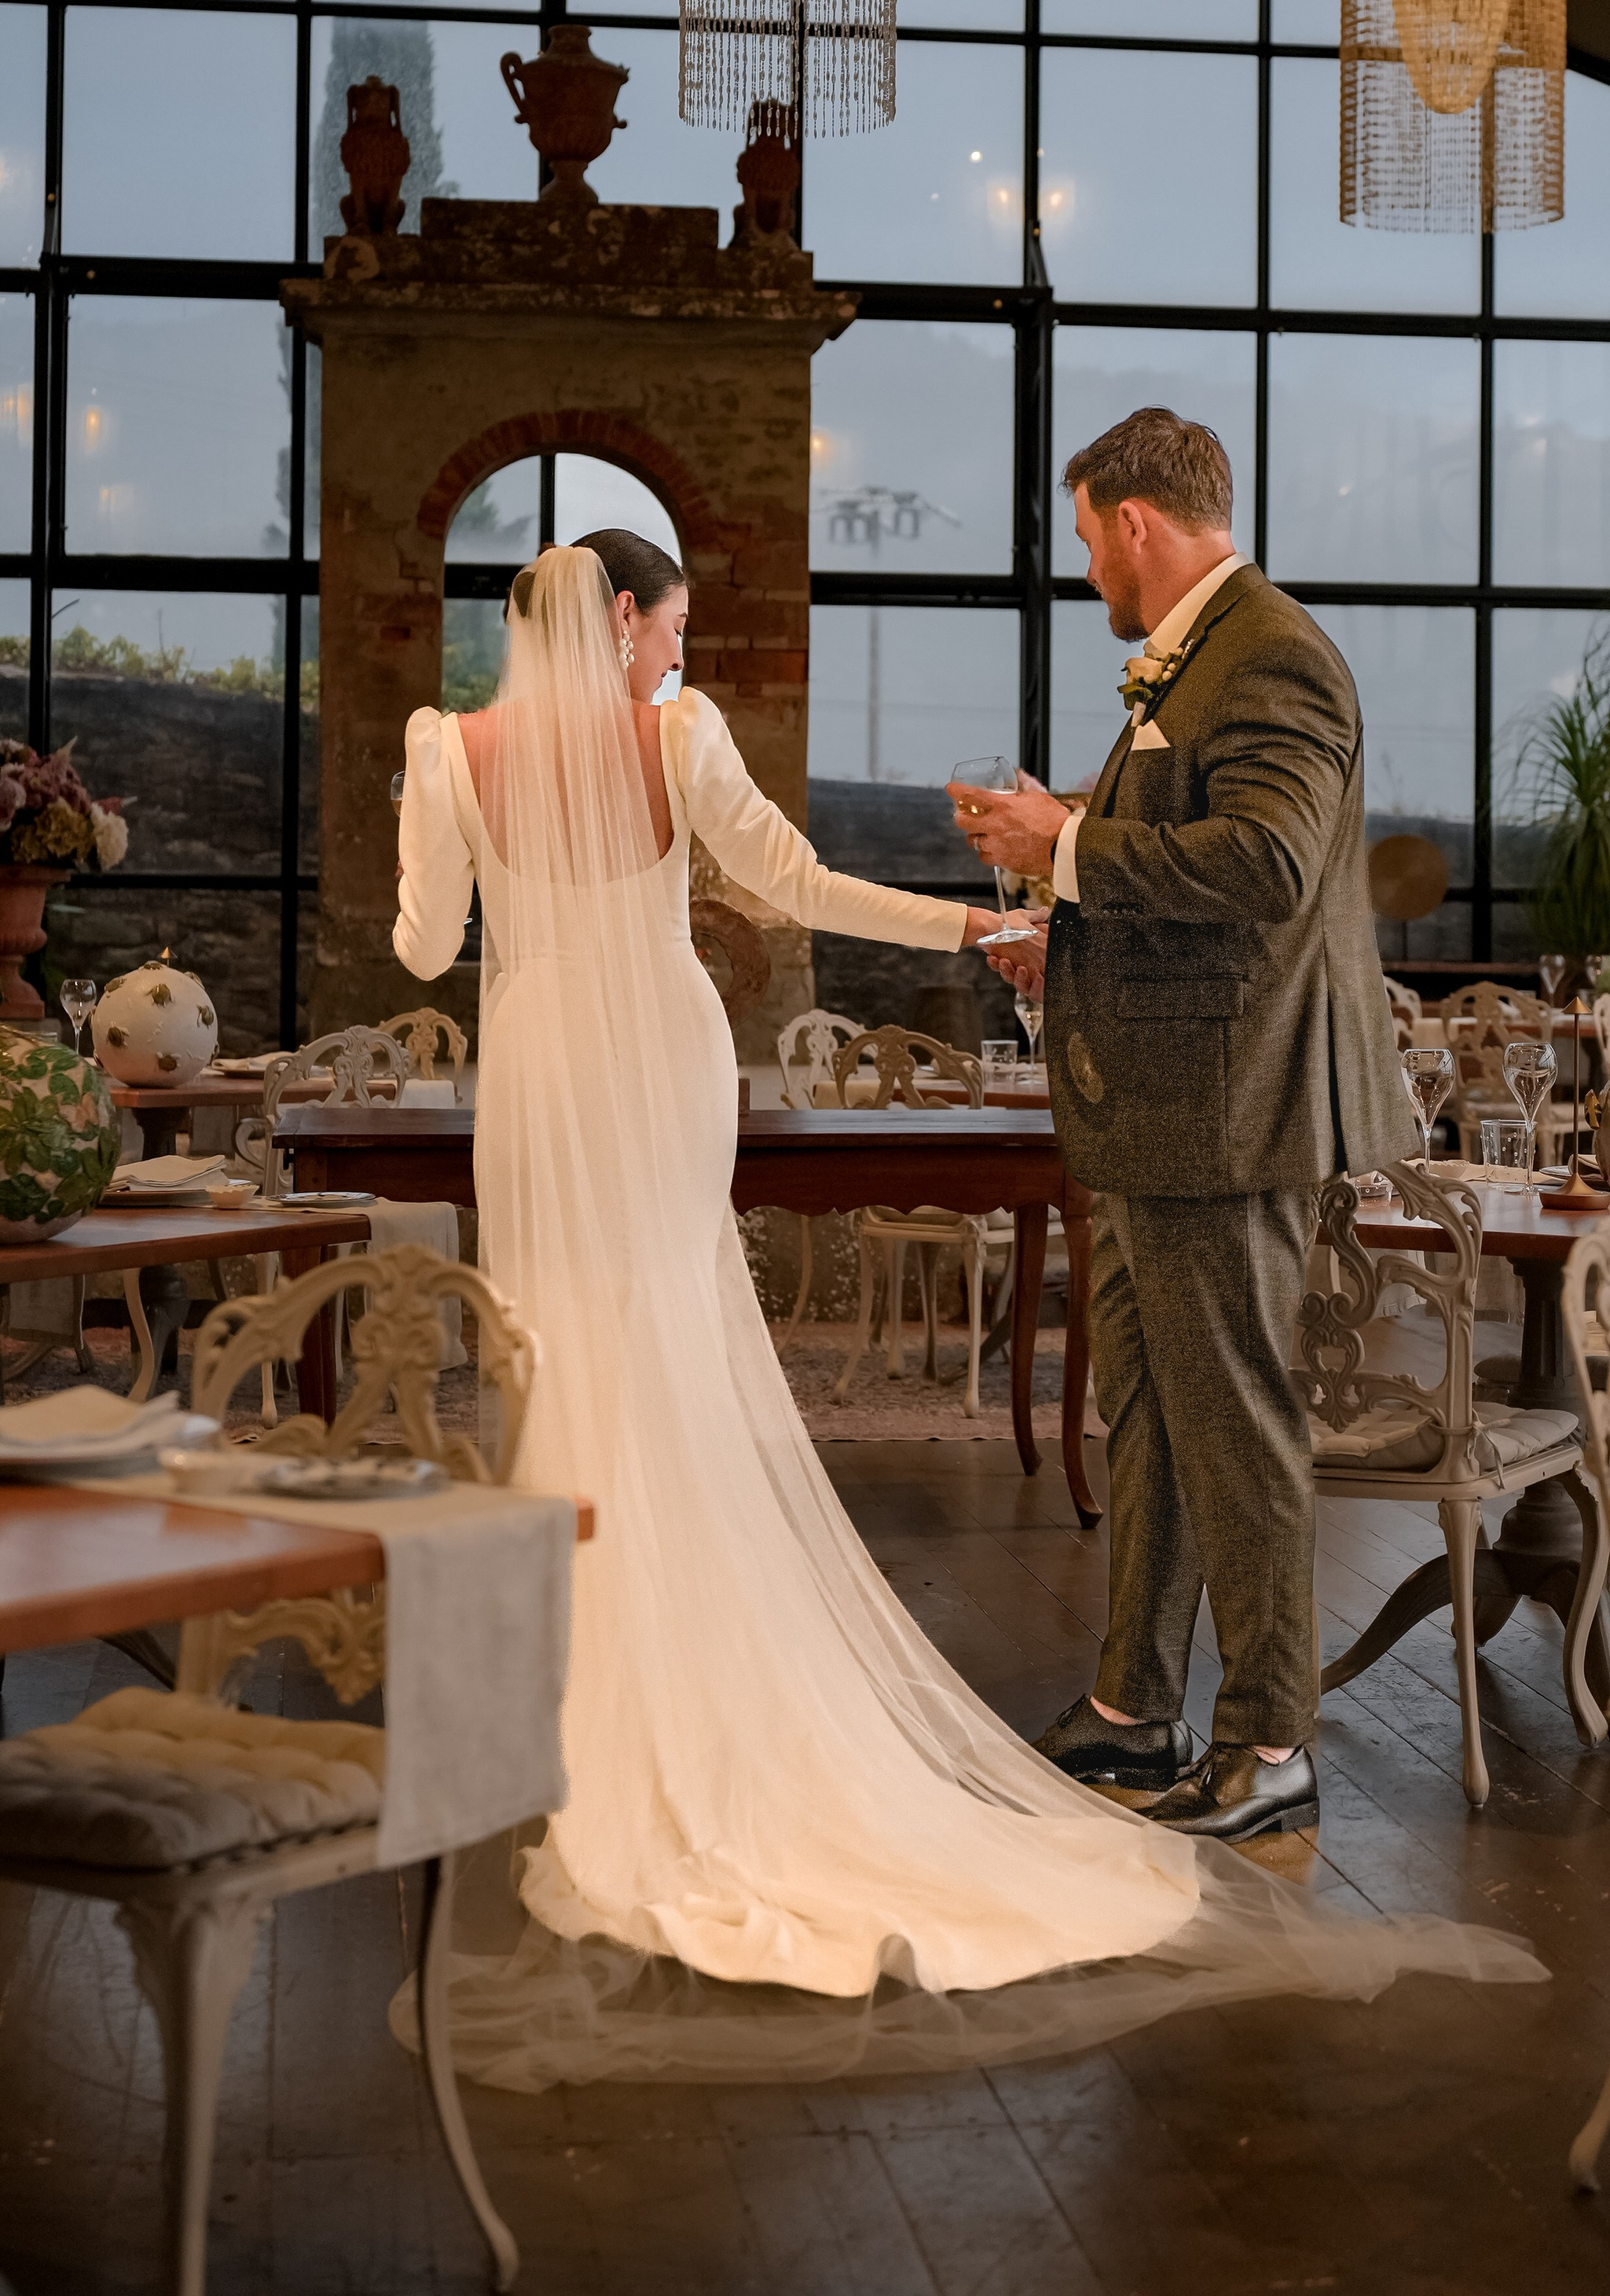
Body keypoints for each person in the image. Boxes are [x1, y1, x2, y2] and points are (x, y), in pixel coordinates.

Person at [390, 530, 1535, 2091]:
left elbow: (416, 945)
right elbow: (788, 885)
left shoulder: (444, 748)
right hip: (655, 1050)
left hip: (528, 1056)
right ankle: (673, 1677)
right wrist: (973, 925)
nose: (673, 654)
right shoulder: (678, 736)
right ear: (626, 618)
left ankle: (566, 1694)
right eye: (670, 625)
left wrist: (473, 875)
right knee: (663, 1346)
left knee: (554, 1352)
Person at [953, 409, 1414, 1846]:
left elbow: (1268, 867)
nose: (1087, 564)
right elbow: (1198, 861)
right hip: (1159, 1111)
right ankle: (1131, 1713)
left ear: (1138, 524)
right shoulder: (1198, 659)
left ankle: (1273, 1740)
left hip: (1226, 1114)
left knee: (1234, 1428)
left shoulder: (1270, 653)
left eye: (1089, 536)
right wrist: (1065, 924)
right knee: (1146, 1416)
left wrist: (1064, 845)